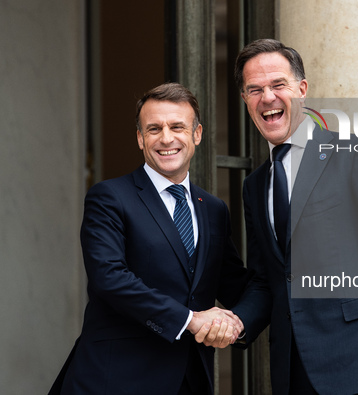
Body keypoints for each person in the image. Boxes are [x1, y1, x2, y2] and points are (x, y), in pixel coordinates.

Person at [229, 39, 358, 395]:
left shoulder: (357, 154)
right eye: (254, 89)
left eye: (278, 85)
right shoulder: (255, 185)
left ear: (301, 89)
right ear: (246, 100)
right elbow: (267, 280)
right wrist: (234, 323)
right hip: (292, 371)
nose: (267, 98)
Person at [49, 82, 249, 395]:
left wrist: (240, 322)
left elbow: (236, 285)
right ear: (141, 139)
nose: (166, 138)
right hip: (117, 379)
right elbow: (109, 278)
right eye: (154, 128)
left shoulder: (213, 209)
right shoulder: (110, 197)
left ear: (196, 134)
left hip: (190, 379)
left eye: (177, 127)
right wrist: (189, 320)